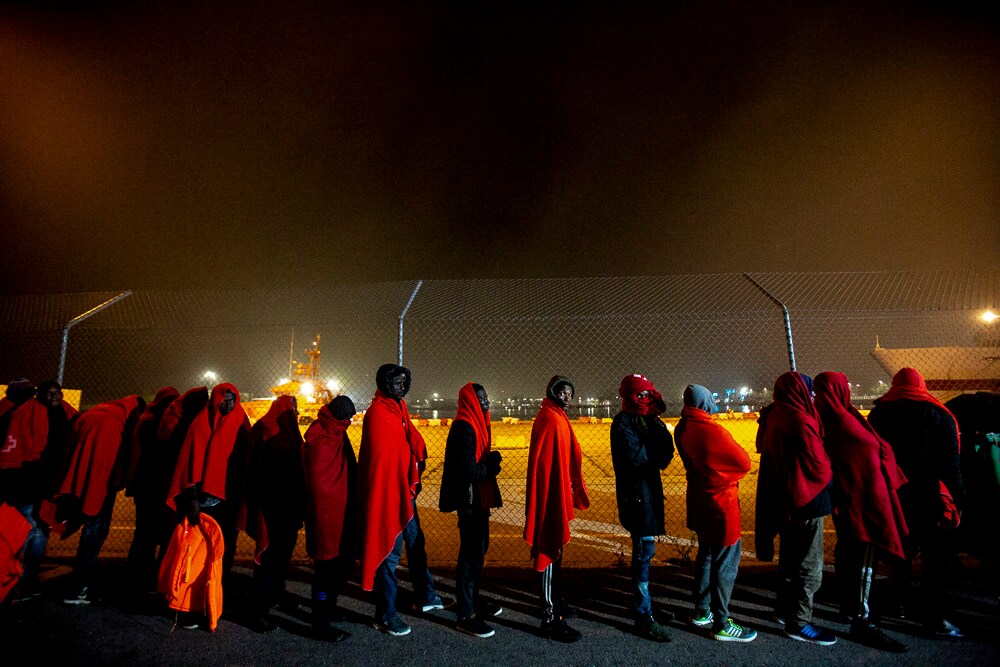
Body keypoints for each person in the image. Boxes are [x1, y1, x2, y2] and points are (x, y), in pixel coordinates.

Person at [813, 372, 908, 653]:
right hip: (864, 502)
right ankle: (863, 621)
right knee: (864, 560)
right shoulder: (842, 421)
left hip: (855, 499)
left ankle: (850, 608)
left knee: (850, 554)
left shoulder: (832, 417)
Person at [867, 367, 966, 638]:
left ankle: (896, 603)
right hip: (928, 495)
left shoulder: (878, 413)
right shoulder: (937, 414)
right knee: (935, 558)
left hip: (893, 494)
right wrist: (958, 497)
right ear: (921, 385)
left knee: (900, 552)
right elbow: (950, 463)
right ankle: (933, 618)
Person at [358, 364, 443, 637]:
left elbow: (409, 444)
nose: (400, 387)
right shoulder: (378, 414)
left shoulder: (398, 409)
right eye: (395, 383)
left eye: (404, 383)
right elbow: (383, 460)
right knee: (389, 554)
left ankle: (426, 595)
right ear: (384, 383)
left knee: (417, 544)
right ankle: (384, 615)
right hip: (388, 497)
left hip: (404, 494)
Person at [754, 371, 836, 646]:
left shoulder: (773, 416)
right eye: (809, 391)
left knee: (789, 559)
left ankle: (783, 609)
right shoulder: (800, 420)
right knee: (810, 565)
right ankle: (799, 623)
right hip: (807, 501)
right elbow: (819, 465)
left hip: (784, 499)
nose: (813, 397)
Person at [674, 384, 757, 643]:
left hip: (699, 500)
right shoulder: (712, 430)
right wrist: (728, 477)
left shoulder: (682, 427)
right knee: (725, 564)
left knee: (706, 556)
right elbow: (744, 462)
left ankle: (702, 610)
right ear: (705, 403)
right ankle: (722, 622)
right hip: (721, 504)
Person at [166, 382, 251, 629]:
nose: (227, 403)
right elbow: (188, 464)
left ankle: (214, 601)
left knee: (225, 552)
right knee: (199, 556)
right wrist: (191, 498)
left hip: (230, 500)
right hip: (205, 502)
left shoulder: (240, 423)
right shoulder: (200, 424)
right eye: (223, 399)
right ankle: (191, 606)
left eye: (231, 399)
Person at [51, 394, 146, 604]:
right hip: (98, 486)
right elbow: (106, 463)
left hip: (76, 480)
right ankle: (80, 587)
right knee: (94, 533)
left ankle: (79, 583)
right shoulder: (112, 423)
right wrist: (119, 480)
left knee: (88, 531)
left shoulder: (96, 412)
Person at [524, 375, 589, 643]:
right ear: (552, 392)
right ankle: (550, 618)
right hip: (550, 498)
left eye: (570, 393)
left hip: (556, 495)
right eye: (562, 392)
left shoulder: (556, 416)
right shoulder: (550, 419)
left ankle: (556, 604)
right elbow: (545, 467)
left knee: (556, 553)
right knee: (549, 550)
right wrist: (553, 499)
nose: (567, 397)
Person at [609, 373, 674, 642]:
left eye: (649, 395)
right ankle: (643, 616)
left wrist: (654, 429)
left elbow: (665, 455)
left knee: (646, 552)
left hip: (647, 494)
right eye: (641, 395)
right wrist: (655, 446)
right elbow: (639, 458)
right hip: (636, 497)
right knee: (642, 554)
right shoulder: (623, 422)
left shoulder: (648, 420)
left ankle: (645, 607)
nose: (646, 399)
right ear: (629, 397)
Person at [0, 380, 77, 599]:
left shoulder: (66, 415)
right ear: (40, 395)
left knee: (41, 529)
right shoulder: (25, 414)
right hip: (28, 483)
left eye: (58, 393)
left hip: (50, 485)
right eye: (50, 393)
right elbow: (16, 452)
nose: (55, 396)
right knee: (29, 529)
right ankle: (20, 580)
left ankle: (27, 579)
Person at [439, 383, 503, 638]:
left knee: (478, 550)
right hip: (469, 500)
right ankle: (466, 613)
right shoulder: (464, 427)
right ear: (470, 401)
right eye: (481, 398)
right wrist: (490, 468)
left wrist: (488, 464)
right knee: (470, 554)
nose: (486, 401)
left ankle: (473, 602)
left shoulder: (474, 424)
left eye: (486, 396)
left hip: (477, 497)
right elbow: (468, 470)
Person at [244, 394, 307, 633]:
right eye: (294, 408)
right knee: (268, 560)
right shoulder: (267, 430)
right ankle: (257, 610)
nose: (298, 412)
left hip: (288, 507)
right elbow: (257, 472)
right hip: (271, 507)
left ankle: (275, 595)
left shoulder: (287, 431)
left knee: (282, 557)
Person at [303, 394, 358, 643]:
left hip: (344, 512)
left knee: (343, 563)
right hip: (325, 516)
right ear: (336, 417)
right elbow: (318, 481)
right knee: (325, 569)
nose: (348, 422)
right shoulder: (319, 437)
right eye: (345, 418)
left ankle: (330, 608)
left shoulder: (337, 432)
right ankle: (320, 621)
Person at [123, 386, 180, 594]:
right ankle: (156, 578)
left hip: (144, 485)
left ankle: (138, 578)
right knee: (160, 535)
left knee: (144, 535)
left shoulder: (146, 419)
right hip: (158, 485)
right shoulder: (160, 423)